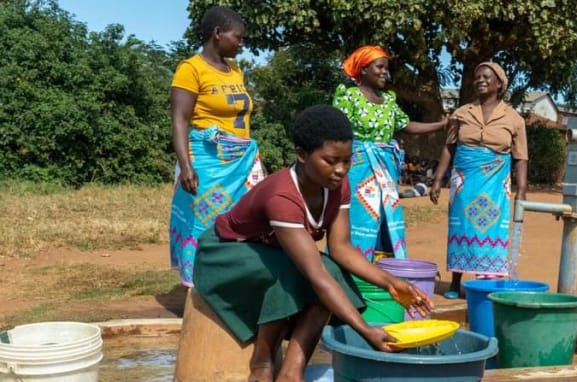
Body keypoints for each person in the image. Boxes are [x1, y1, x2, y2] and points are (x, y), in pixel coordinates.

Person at [191, 105, 433, 382]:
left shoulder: (336, 186)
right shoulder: (282, 196)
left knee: (334, 274)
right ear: (302, 154)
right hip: (226, 253)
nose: (341, 170)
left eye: (347, 160)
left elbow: (341, 248)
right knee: (301, 273)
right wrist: (365, 331)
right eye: (331, 161)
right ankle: (262, 362)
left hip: (272, 252)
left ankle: (293, 369)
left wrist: (391, 283)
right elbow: (316, 276)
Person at [168, 6, 265, 287]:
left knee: (243, 223)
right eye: (238, 37)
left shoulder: (235, 70)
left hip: (241, 161)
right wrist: (186, 165)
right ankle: (196, 292)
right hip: (206, 163)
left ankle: (230, 287)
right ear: (217, 33)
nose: (242, 44)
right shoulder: (191, 69)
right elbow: (180, 120)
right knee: (201, 225)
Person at [332, 45, 448, 261]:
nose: (385, 72)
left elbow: (407, 125)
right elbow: (337, 130)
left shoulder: (388, 101)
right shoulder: (348, 96)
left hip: (386, 171)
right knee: (358, 215)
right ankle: (350, 266)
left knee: (385, 214)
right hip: (357, 169)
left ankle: (381, 269)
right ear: (363, 69)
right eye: (380, 67)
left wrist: (441, 125)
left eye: (387, 68)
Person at [429, 62, 528, 299]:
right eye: (478, 76)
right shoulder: (461, 113)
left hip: (495, 183)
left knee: (490, 229)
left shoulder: (514, 119)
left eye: (487, 77)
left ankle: (485, 284)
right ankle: (455, 282)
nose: (481, 80)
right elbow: (449, 148)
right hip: (464, 181)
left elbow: (521, 156)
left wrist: (522, 188)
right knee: (461, 227)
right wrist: (437, 179)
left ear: (499, 84)